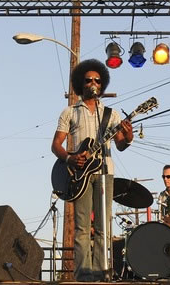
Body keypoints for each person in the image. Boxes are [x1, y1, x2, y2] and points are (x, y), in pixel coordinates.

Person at [51, 59, 133, 281]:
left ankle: (101, 272)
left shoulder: (110, 114)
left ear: (102, 84)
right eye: (88, 80)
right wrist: (70, 158)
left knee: (103, 227)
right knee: (82, 226)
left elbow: (120, 145)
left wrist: (129, 135)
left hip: (105, 172)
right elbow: (56, 145)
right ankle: (83, 274)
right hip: (80, 175)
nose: (93, 83)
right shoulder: (69, 112)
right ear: (81, 83)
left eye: (97, 80)